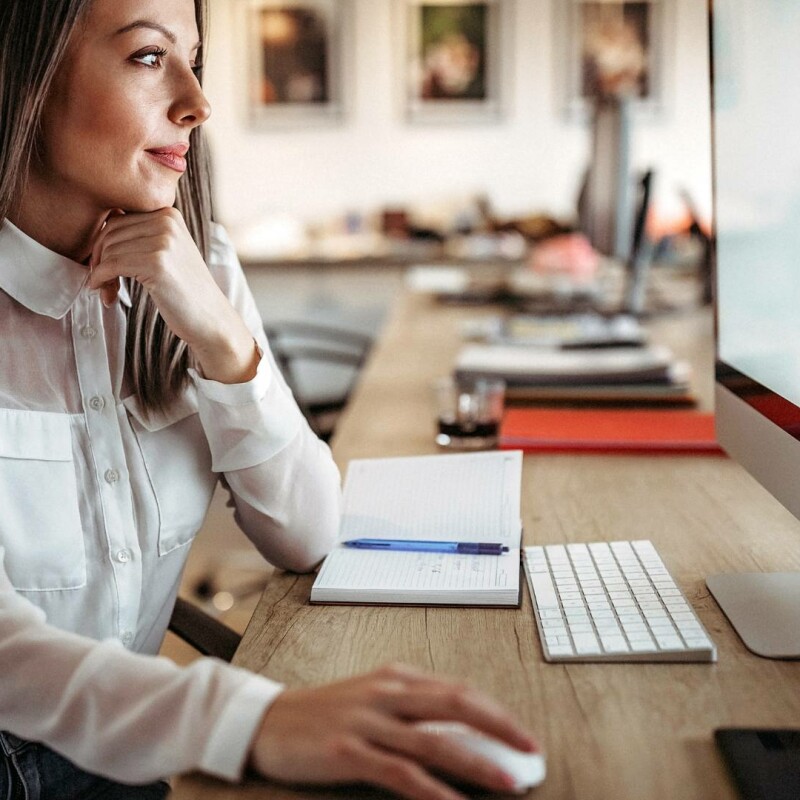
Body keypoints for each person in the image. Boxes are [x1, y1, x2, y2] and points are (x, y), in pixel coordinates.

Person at [0, 1, 538, 798]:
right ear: (27, 78)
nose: (196, 101)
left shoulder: (195, 266)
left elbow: (312, 532)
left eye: (196, 60)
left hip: (131, 756)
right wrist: (246, 719)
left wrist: (218, 330)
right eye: (150, 57)